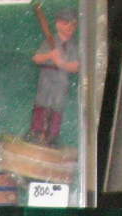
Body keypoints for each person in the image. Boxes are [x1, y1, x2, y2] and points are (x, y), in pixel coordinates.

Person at [28, 9, 80, 146]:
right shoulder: (50, 41)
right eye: (66, 23)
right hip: (47, 77)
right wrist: (50, 55)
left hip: (62, 78)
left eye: (73, 24)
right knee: (41, 105)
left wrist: (62, 64)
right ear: (58, 24)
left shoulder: (73, 46)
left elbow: (76, 66)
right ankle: (37, 132)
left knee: (57, 107)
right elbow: (36, 58)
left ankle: (52, 136)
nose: (70, 27)